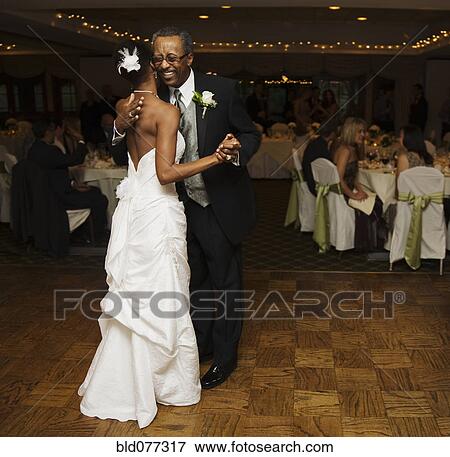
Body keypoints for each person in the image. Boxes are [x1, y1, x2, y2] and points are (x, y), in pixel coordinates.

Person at [78, 40, 243, 428]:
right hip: (161, 209)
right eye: (160, 61)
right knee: (166, 289)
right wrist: (215, 157)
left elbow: (131, 152)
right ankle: (165, 381)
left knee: (136, 294)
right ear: (151, 68)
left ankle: (128, 379)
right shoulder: (166, 112)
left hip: (134, 211)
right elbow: (166, 173)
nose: (166, 66)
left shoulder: (124, 108)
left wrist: (119, 129)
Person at [111, 27, 261, 390]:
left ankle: (225, 358)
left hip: (218, 203)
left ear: (189, 58)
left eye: (172, 57)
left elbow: (252, 133)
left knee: (225, 285)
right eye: (159, 58)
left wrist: (236, 145)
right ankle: (201, 345)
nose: (165, 65)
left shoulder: (222, 90)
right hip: (176, 207)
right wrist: (117, 128)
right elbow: (124, 154)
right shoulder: (149, 97)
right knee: (191, 284)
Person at [28, 119, 108, 238]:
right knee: (99, 198)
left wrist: (72, 184)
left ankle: (87, 231)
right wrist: (80, 139)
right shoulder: (50, 151)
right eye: (52, 131)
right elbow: (75, 160)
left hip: (49, 192)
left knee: (94, 191)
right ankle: (94, 234)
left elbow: (52, 174)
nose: (54, 134)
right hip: (58, 197)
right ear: (47, 132)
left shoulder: (33, 150)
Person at [333, 117, 385, 251]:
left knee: (377, 200)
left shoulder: (351, 148)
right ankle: (368, 245)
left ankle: (373, 242)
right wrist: (353, 195)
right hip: (341, 193)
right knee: (377, 205)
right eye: (360, 132)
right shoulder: (345, 151)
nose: (363, 135)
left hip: (347, 189)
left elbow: (352, 176)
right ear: (351, 132)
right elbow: (338, 178)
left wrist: (360, 190)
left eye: (364, 131)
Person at [302, 119, 338, 196]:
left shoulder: (316, 143)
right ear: (332, 134)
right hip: (316, 186)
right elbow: (331, 167)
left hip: (309, 178)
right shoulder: (322, 148)